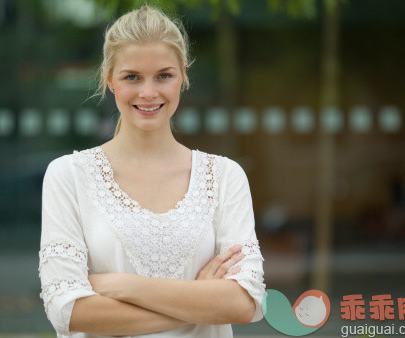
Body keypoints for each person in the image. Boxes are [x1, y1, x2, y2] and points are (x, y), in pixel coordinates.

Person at [38, 6, 265, 337]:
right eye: (132, 77)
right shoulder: (69, 176)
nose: (148, 92)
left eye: (164, 75)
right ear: (110, 80)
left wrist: (121, 285)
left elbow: (246, 303)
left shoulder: (224, 177)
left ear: (182, 76)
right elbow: (68, 310)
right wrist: (200, 305)